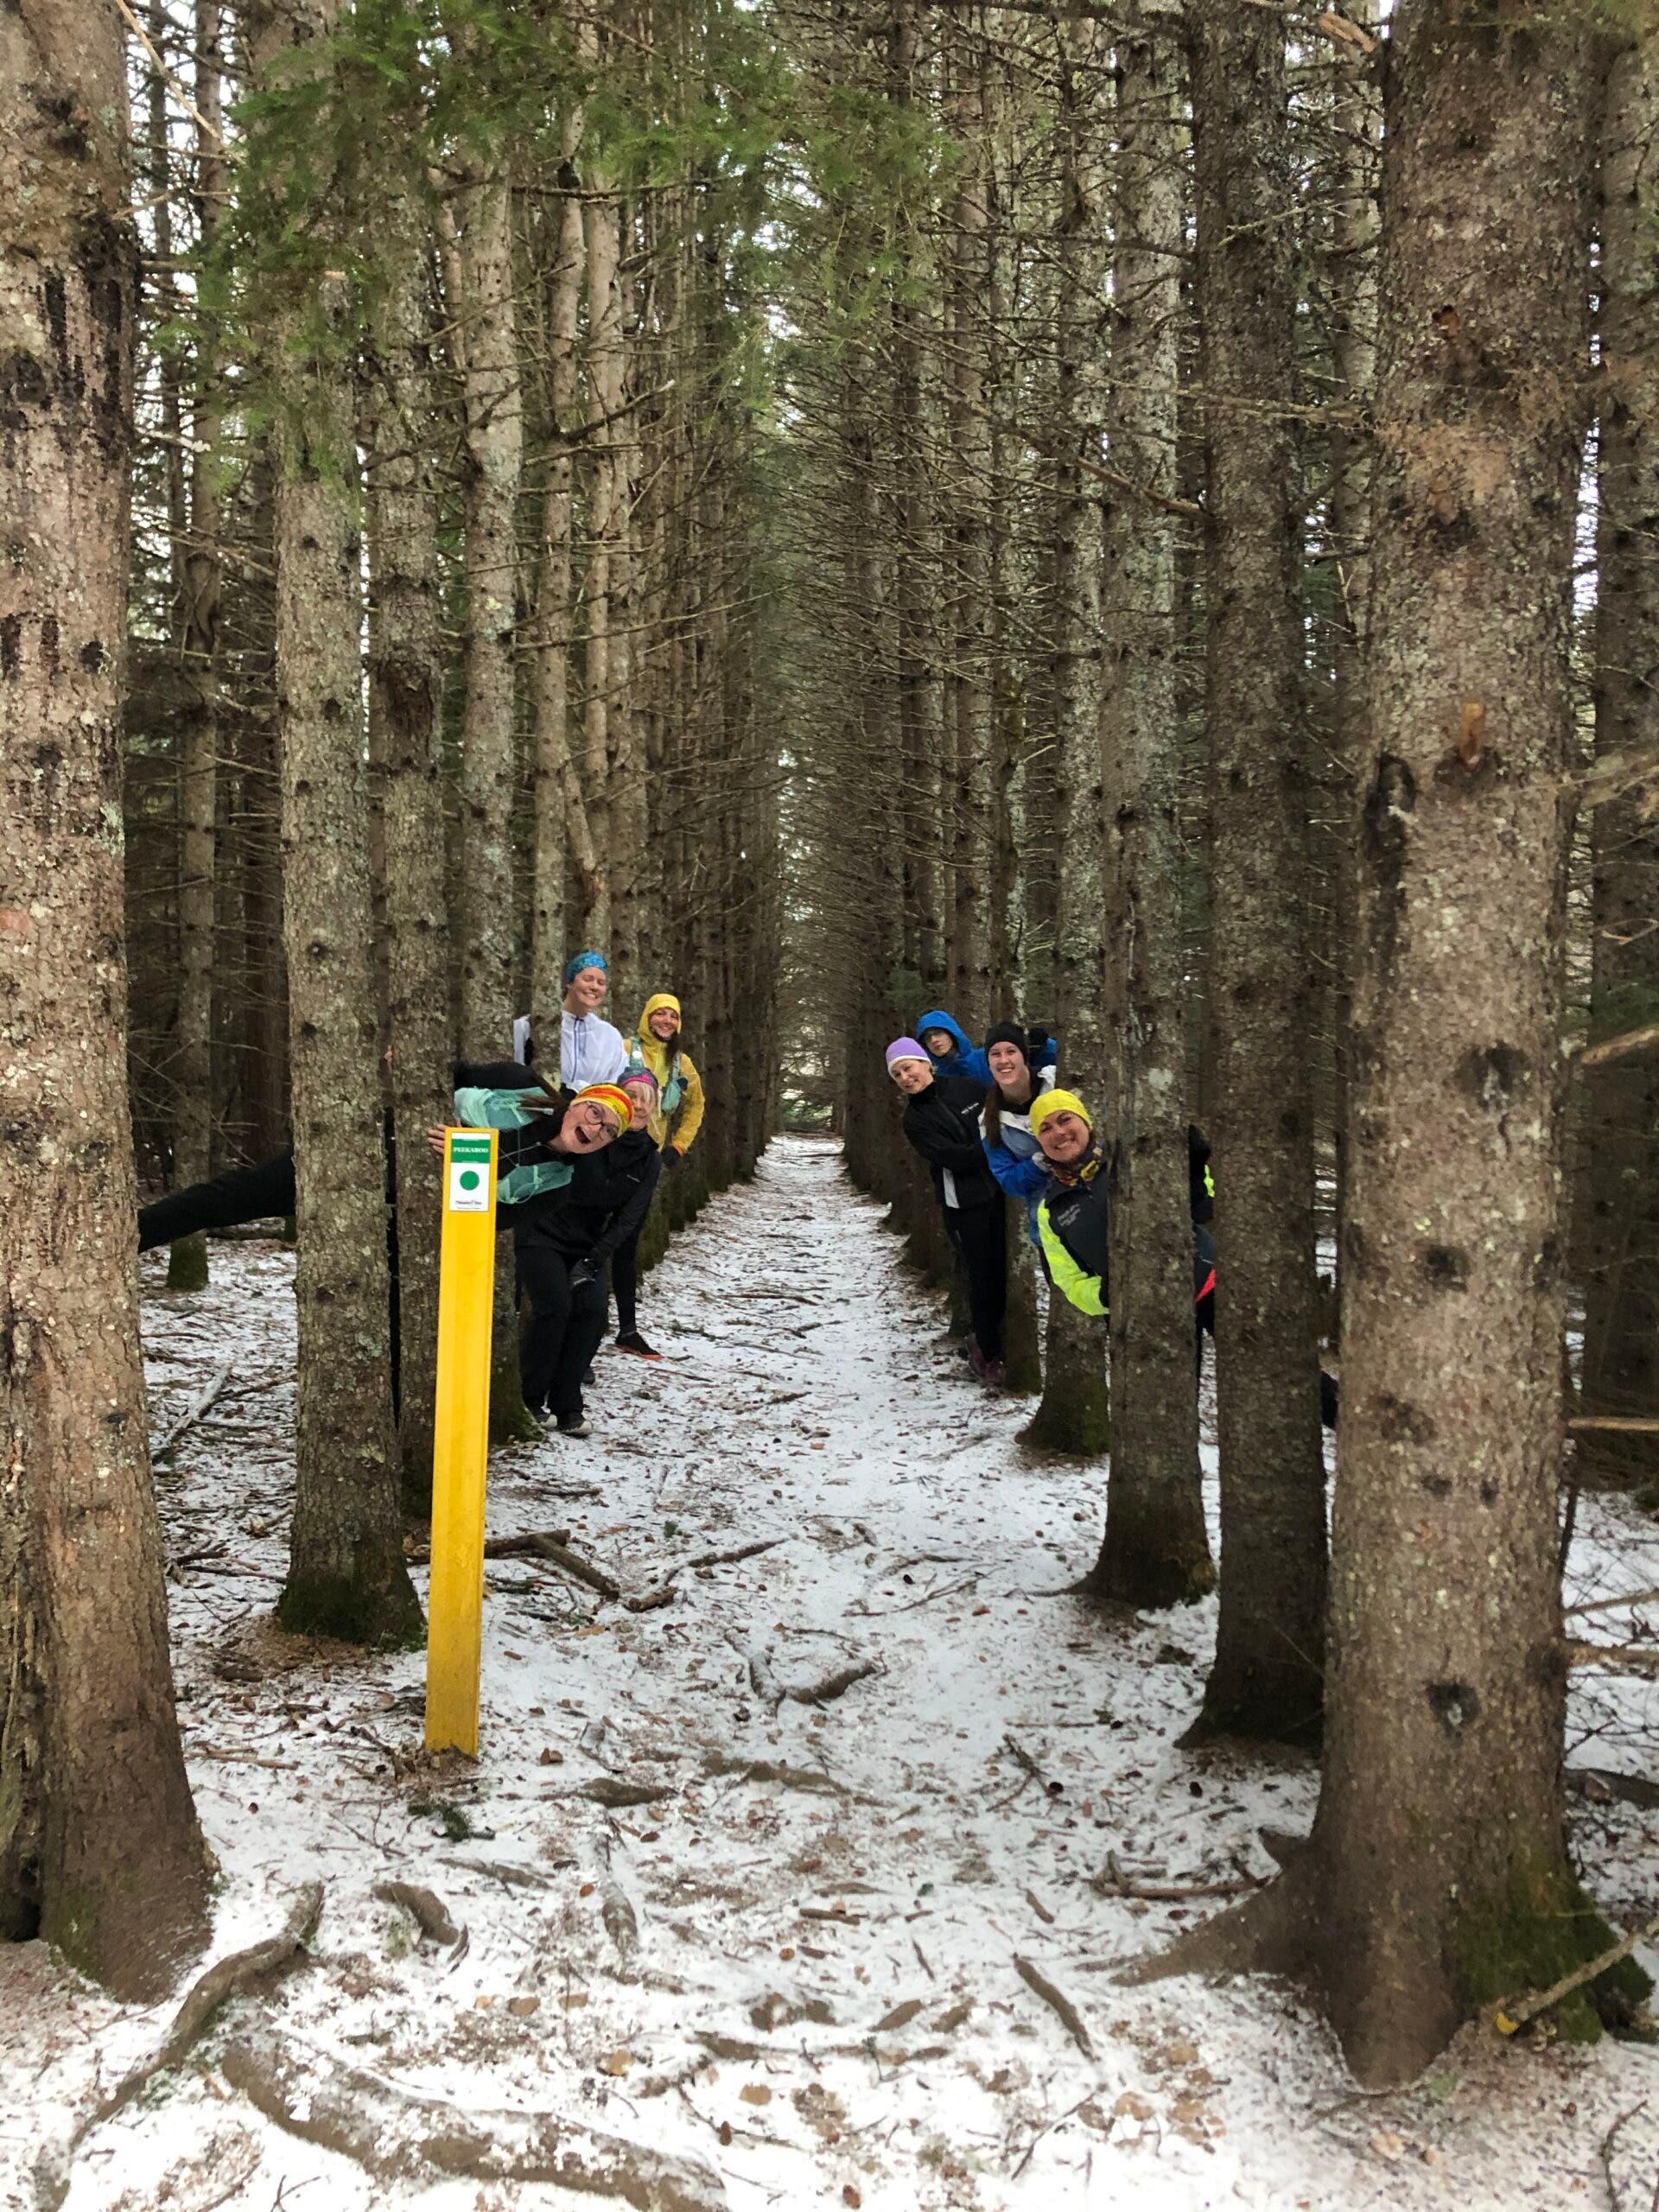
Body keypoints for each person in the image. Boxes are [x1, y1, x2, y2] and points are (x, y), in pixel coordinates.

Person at [1028, 1090, 1336, 1427]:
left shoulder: (1130, 1157)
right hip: (1144, 1316)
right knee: (1166, 1419)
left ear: (1085, 1122)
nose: (1058, 1133)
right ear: (1040, 1143)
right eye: (1045, 1129)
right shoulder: (1050, 1211)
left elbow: (1204, 1205)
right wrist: (1107, 1295)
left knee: (1281, 1365)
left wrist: (1192, 1170)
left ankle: (1351, 1420)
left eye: (1065, 1119)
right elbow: (1068, 1280)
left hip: (1210, 1283)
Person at [446, 1080, 633, 1435]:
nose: (596, 1130)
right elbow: (456, 1081)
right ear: (578, 1102)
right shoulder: (521, 1090)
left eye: (609, 1131)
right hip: (541, 1240)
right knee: (554, 1309)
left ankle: (565, 1405)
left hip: (577, 1245)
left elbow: (494, 1216)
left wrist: (464, 1159)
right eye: (596, 1113)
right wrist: (459, 1142)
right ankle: (532, 1399)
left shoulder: (560, 1180)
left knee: (593, 1312)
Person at [887, 1037, 1007, 1388]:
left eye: (908, 1067)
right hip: (964, 1204)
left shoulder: (967, 1087)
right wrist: (994, 1148)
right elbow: (953, 1157)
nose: (906, 1077)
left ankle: (991, 1342)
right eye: (897, 1075)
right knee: (983, 1278)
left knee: (1004, 1274)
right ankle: (987, 1352)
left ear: (924, 1063)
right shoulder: (915, 1120)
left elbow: (1000, 1116)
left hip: (1004, 1192)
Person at [612, 993, 707, 1358]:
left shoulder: (681, 1063)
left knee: (627, 1242)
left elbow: (697, 1104)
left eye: (673, 1016)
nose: (666, 1021)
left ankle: (627, 1329)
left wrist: (679, 1146)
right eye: (659, 1014)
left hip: (648, 1161)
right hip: (610, 1152)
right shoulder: (622, 1048)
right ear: (647, 1017)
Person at [980, 1023, 1058, 1245]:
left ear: (1024, 1055)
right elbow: (1007, 1179)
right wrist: (1038, 1165)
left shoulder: (1055, 1082)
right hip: (1048, 1227)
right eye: (995, 1054)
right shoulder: (989, 1121)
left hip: (1093, 1208)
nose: (1003, 1060)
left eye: (1011, 1051)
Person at [511, 951, 628, 1089]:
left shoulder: (609, 1035)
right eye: (588, 979)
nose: (595, 987)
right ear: (570, 983)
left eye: (601, 983)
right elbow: (515, 1070)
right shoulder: (530, 1025)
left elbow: (619, 1079)